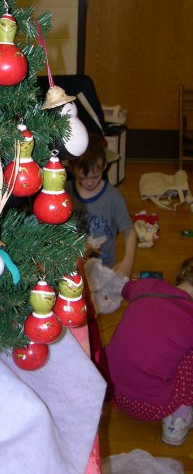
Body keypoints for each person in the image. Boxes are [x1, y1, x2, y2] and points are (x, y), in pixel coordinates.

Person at [105, 258, 193, 445]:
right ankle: (177, 421)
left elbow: (125, 290)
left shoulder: (149, 285)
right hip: (152, 407)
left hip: (112, 392)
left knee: (141, 329)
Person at [65, 132, 136, 278]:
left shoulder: (113, 197)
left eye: (95, 176)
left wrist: (127, 262)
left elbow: (130, 232)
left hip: (104, 270)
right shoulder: (65, 192)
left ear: (104, 166)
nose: (89, 183)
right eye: (82, 178)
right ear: (72, 170)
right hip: (71, 268)